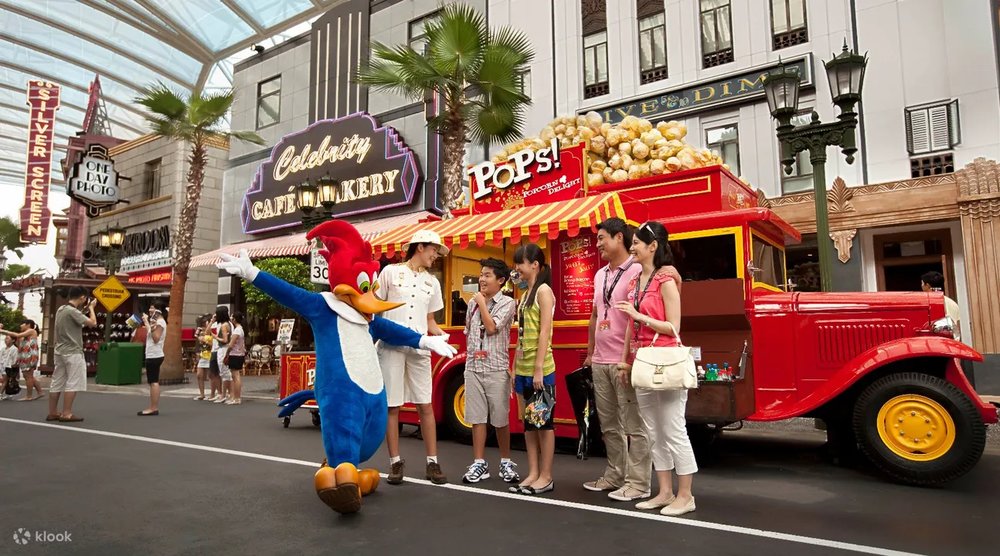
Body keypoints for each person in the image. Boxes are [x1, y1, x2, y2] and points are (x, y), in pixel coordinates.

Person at [616, 222, 697, 516]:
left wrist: (639, 315)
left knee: (674, 428)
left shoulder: (666, 278)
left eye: (637, 243)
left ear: (653, 247)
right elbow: (629, 326)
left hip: (665, 361)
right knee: (653, 430)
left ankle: (685, 495)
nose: (632, 247)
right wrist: (625, 360)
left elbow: (673, 327)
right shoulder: (634, 280)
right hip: (642, 363)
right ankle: (664, 491)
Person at [582, 217, 651, 502]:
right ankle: (615, 475)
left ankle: (639, 483)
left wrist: (630, 358)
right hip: (600, 359)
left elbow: (639, 317)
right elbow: (596, 315)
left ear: (619, 238)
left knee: (634, 424)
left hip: (625, 360)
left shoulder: (637, 270)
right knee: (609, 423)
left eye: (601, 238)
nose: (597, 244)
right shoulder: (600, 275)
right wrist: (589, 352)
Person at [376, 230, 450, 485]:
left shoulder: (433, 282)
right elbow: (375, 307)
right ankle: (395, 462)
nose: (435, 255)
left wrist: (444, 337)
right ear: (420, 247)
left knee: (425, 405)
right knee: (392, 406)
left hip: (420, 349)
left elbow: (430, 321)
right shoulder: (390, 272)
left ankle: (432, 462)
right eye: (434, 250)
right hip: (391, 347)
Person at [461, 258, 519, 484]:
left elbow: (492, 328)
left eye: (487, 275)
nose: (481, 279)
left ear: (501, 280)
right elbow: (469, 332)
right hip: (473, 367)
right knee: (476, 418)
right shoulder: (471, 304)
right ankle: (479, 463)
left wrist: (482, 303)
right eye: (481, 274)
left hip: (496, 367)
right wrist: (477, 303)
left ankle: (505, 462)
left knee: (500, 418)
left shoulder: (507, 303)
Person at [509, 243, 556, 496]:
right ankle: (534, 472)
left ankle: (546, 477)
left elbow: (544, 332)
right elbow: (522, 333)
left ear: (534, 265)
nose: (517, 268)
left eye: (521, 263)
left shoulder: (544, 291)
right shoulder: (526, 293)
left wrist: (538, 369)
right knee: (529, 424)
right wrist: (515, 366)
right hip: (524, 369)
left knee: (544, 424)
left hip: (541, 369)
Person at [49, 286, 98, 422]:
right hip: (73, 352)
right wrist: (92, 309)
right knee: (73, 382)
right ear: (82, 297)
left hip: (59, 351)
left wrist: (86, 309)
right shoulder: (72, 312)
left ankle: (53, 412)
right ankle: (67, 413)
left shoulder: (61, 309)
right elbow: (93, 323)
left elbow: (77, 316)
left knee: (57, 381)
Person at [0, 319, 42, 401]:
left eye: (22, 324)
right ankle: (40, 392)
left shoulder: (31, 331)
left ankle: (29, 396)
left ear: (28, 325)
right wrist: (17, 360)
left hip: (30, 356)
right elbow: (20, 347)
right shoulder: (23, 336)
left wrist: (2, 330)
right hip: (24, 357)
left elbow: (16, 335)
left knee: (28, 376)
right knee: (29, 376)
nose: (20, 326)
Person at [138, 304, 167, 416]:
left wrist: (147, 323)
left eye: (153, 308)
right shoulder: (156, 322)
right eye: (149, 307)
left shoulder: (160, 322)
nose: (150, 310)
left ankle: (153, 408)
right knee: (152, 381)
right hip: (151, 354)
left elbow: (155, 338)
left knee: (154, 381)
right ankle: (152, 407)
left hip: (155, 355)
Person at [921, 271, 961, 339]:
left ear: (927, 285)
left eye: (922, 283)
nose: (921, 286)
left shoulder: (924, 304)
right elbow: (957, 328)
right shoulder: (953, 304)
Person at [208, 307, 232, 403]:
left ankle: (224, 395)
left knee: (224, 372)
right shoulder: (227, 324)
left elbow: (225, 340)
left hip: (222, 348)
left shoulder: (223, 325)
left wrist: (215, 337)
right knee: (224, 372)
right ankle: (227, 394)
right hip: (222, 349)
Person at [223, 312, 247, 405]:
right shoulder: (241, 329)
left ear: (235, 319)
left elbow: (230, 345)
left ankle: (237, 398)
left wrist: (226, 354)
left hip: (235, 354)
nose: (231, 318)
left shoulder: (237, 331)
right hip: (239, 354)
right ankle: (235, 397)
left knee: (235, 376)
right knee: (235, 376)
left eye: (232, 317)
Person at [193, 315, 213, 400]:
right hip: (202, 354)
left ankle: (212, 393)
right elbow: (198, 341)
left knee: (211, 375)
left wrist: (206, 341)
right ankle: (202, 394)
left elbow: (214, 343)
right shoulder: (200, 330)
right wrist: (197, 353)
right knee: (199, 375)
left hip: (210, 354)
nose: (205, 323)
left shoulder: (213, 330)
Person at [1, 335, 19, 400]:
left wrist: (13, 366)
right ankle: (9, 394)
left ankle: (0, 394)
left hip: (9, 367)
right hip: (2, 366)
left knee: (5, 381)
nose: (6, 340)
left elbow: (15, 359)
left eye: (7, 338)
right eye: (5, 338)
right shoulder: (3, 349)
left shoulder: (14, 349)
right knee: (6, 381)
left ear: (13, 340)